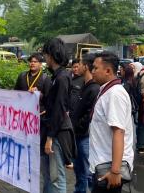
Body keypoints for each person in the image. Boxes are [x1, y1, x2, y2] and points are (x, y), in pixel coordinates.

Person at [90, 51, 134, 193]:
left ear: (108, 70)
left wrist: (115, 171)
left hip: (109, 169)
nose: (93, 71)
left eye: (96, 68)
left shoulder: (115, 93)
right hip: (102, 165)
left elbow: (119, 131)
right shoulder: (106, 90)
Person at [41, 38, 76, 193]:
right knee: (52, 175)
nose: (45, 58)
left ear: (52, 55)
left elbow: (59, 109)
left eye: (46, 55)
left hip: (57, 133)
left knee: (57, 178)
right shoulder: (58, 76)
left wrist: (50, 137)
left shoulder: (61, 78)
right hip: (56, 130)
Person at [71, 54, 100, 193]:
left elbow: (90, 114)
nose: (78, 66)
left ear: (86, 67)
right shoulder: (83, 84)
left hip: (85, 135)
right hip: (78, 134)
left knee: (87, 171)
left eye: (80, 64)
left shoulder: (94, 89)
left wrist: (77, 124)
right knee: (79, 170)